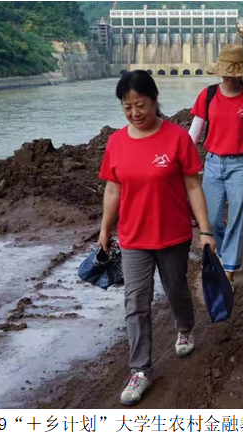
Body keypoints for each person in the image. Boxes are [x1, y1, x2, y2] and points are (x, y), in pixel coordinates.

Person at [98, 70, 216, 406]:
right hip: (133, 238)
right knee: (135, 303)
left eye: (141, 105)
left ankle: (185, 327)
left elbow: (193, 186)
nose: (135, 113)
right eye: (127, 107)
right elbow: (113, 189)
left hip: (173, 235)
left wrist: (205, 230)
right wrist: (105, 229)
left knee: (176, 290)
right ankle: (140, 369)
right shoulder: (116, 142)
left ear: (154, 100)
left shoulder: (177, 138)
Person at [189, 44, 243, 288]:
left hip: (241, 166)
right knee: (211, 219)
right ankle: (223, 252)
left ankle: (229, 269)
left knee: (237, 219)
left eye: (233, 73)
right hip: (213, 164)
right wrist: (180, 157)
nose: (229, 77)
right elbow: (195, 130)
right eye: (226, 72)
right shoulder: (208, 95)